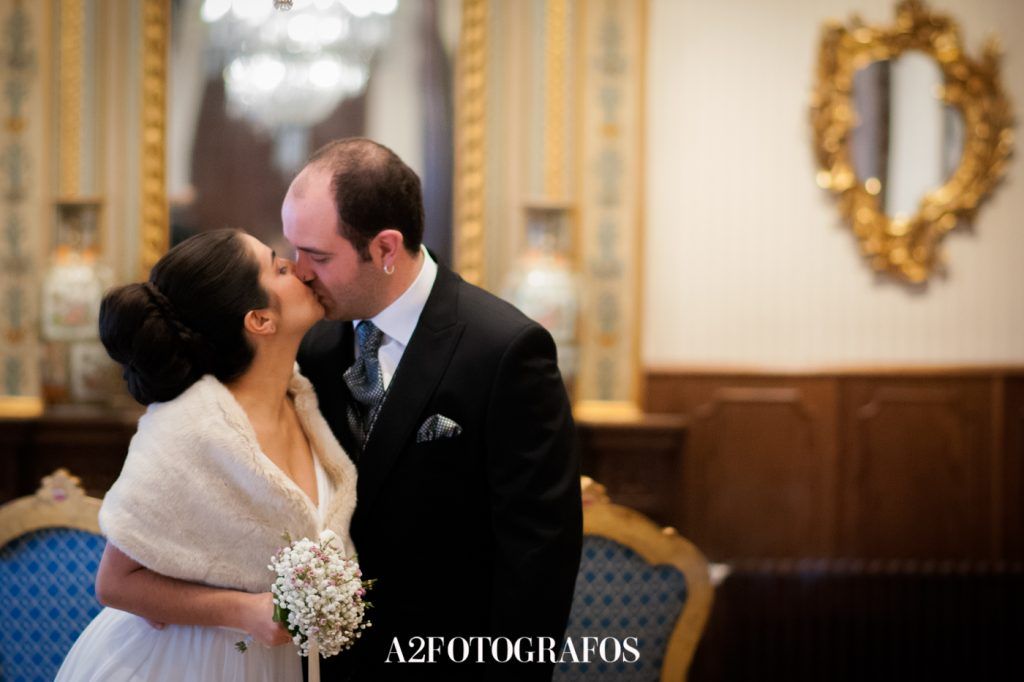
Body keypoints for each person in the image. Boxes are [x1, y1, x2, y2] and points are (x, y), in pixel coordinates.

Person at [286, 138, 583, 681]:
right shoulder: (312, 346)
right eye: (295, 250)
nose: (299, 271)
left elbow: (539, 556)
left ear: (385, 248)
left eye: (319, 256)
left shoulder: (505, 349)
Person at [56, 229, 358, 681]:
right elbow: (114, 583)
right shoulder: (189, 425)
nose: (299, 269)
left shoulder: (304, 401)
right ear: (260, 320)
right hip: (183, 662)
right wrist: (245, 610)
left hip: (275, 665)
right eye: (279, 268)